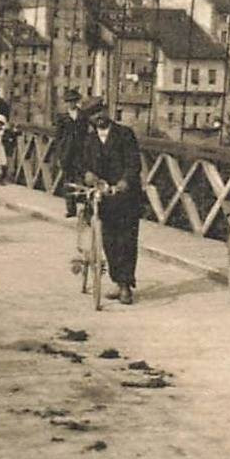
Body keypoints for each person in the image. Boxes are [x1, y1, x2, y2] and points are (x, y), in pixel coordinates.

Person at [80, 98, 143, 305]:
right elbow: (84, 166)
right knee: (109, 241)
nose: (98, 117)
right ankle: (117, 280)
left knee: (126, 240)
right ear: (89, 119)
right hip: (104, 198)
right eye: (92, 114)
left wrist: (125, 182)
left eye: (100, 111)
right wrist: (89, 176)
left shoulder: (125, 134)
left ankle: (126, 286)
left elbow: (134, 163)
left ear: (107, 111)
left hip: (126, 199)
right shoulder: (89, 140)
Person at [52, 87, 89, 217]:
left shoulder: (83, 115)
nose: (71, 103)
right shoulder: (62, 117)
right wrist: (59, 154)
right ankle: (71, 208)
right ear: (66, 103)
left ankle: (86, 209)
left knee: (83, 180)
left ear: (77, 102)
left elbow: (86, 134)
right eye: (69, 101)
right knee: (68, 180)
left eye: (73, 101)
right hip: (67, 151)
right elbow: (58, 137)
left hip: (81, 152)